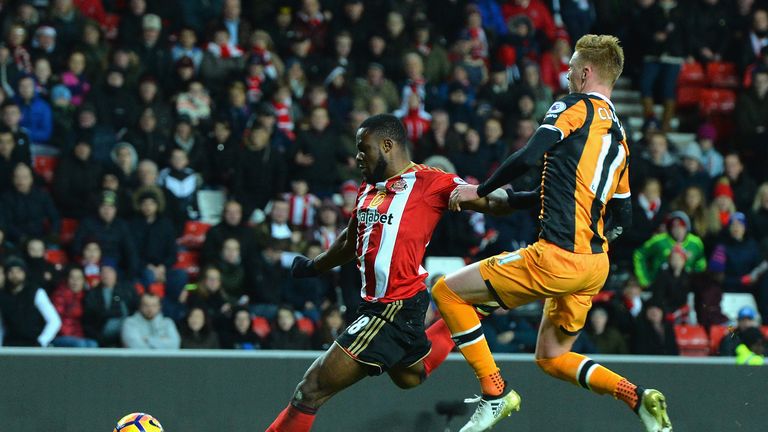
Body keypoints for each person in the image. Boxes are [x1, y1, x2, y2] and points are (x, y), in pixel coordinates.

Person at [441, 35, 671, 432]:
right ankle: (636, 396)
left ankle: (495, 393)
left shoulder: (573, 107)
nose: (566, 76)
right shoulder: (619, 136)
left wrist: (479, 190)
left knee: (446, 291)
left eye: (570, 69)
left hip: (557, 256)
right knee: (551, 356)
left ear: (585, 73)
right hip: (594, 266)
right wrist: (516, 203)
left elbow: (529, 156)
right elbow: (623, 214)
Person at [265, 113, 516, 432]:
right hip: (388, 305)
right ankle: (475, 309)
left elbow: (491, 201)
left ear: (387, 145)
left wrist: (523, 199)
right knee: (411, 376)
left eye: (362, 148)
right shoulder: (369, 188)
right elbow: (349, 240)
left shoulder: (430, 182)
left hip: (392, 308)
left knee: (311, 389)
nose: (357, 156)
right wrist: (315, 266)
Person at [0, 257, 61, 346]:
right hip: (10, 345)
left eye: (19, 271)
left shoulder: (36, 292)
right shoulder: (2, 295)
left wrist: (41, 341)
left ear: (25, 273)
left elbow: (54, 321)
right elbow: (1, 326)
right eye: (11, 272)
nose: (15, 275)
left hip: (33, 344)